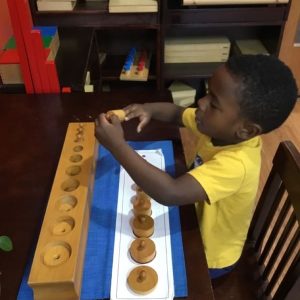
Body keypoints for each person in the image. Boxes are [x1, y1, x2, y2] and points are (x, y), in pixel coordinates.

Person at [94, 54, 297, 279]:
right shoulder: (215, 125)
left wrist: (117, 146)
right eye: (208, 92)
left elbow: (170, 192)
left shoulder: (238, 165)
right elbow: (177, 113)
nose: (201, 102)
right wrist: (147, 108)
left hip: (210, 256)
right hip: (192, 215)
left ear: (246, 131)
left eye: (214, 103)